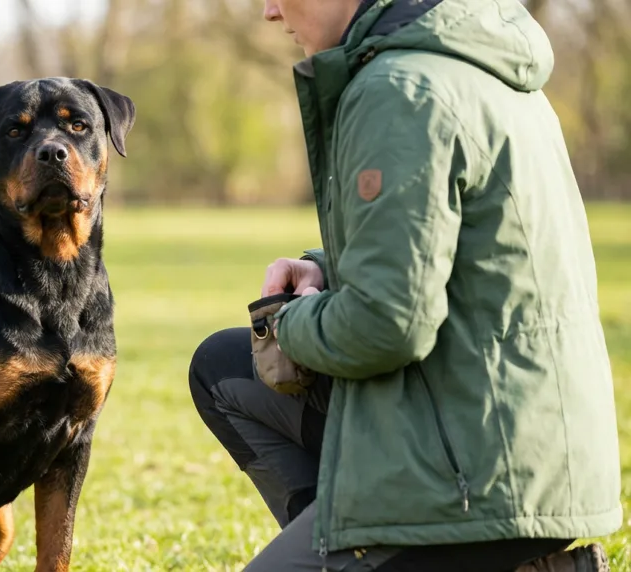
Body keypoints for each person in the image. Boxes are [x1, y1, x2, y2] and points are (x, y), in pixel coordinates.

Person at [188, 0, 622, 570]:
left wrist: (289, 320)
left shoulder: (398, 88)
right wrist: (326, 267)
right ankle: (350, 538)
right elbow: (464, 256)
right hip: (534, 452)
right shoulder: (475, 59)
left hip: (476, 478)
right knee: (222, 368)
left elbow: (385, 325)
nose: (269, 11)